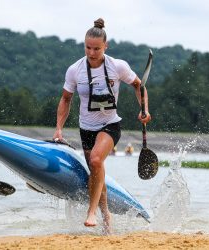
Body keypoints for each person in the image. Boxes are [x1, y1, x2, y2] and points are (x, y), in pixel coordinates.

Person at [52, 18, 151, 232]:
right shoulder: (74, 70)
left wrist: (144, 109)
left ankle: (91, 212)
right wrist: (59, 128)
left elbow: (138, 86)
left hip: (110, 124)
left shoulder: (118, 66)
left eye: (96, 48)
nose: (91, 52)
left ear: (106, 46)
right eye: (88, 47)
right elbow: (66, 99)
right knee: (96, 171)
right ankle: (106, 216)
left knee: (96, 160)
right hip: (86, 127)